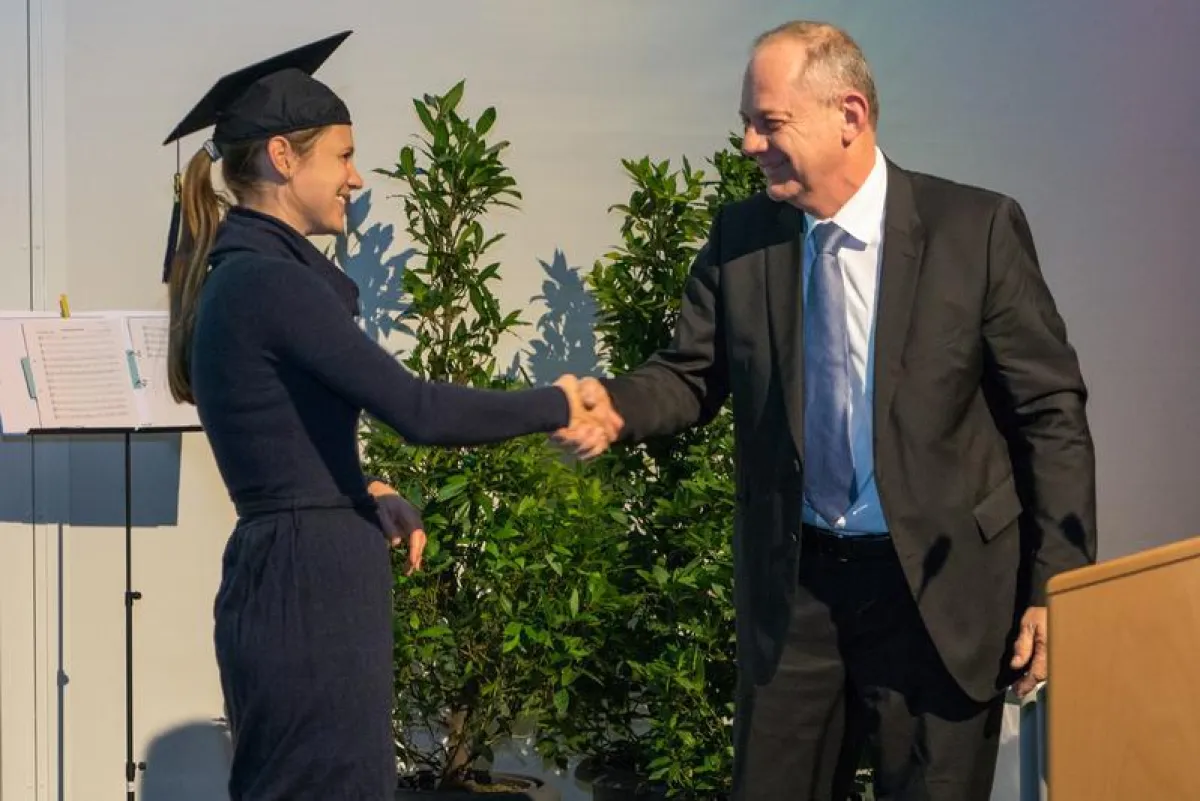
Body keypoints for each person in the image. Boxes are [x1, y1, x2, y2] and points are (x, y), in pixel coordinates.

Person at [559, 20, 1097, 801]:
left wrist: (1059, 585)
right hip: (799, 592)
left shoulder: (973, 231)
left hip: (938, 597)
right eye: (748, 120)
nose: (747, 142)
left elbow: (1050, 411)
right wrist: (615, 407)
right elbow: (690, 372)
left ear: (850, 115)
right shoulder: (743, 236)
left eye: (768, 121)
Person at [161, 30, 616, 801]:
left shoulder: (246, 275)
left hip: (298, 571)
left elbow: (282, 437)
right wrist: (560, 400)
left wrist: (363, 490)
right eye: (341, 156)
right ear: (282, 156)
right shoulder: (271, 282)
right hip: (308, 588)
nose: (356, 177)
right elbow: (418, 409)